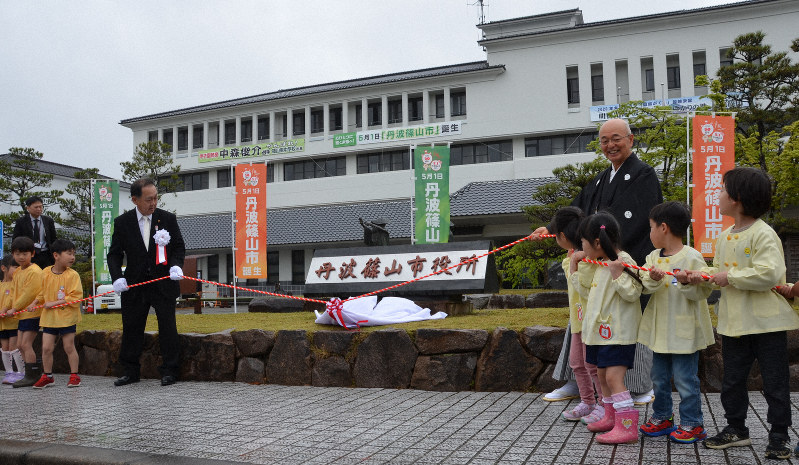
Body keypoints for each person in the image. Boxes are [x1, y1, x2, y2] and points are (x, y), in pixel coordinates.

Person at [532, 118, 662, 404]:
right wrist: (553, 229)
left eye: (616, 138)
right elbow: (578, 212)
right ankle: (579, 383)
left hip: (622, 264)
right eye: (604, 141)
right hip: (595, 265)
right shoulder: (602, 178)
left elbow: (634, 220)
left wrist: (604, 248)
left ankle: (640, 385)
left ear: (630, 140)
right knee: (582, 319)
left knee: (627, 323)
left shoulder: (644, 175)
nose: (610, 145)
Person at [685, 167, 799, 460]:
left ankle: (779, 436)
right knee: (732, 380)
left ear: (737, 198)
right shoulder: (724, 236)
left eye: (722, 190)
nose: (718, 195)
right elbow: (721, 273)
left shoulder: (764, 233)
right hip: (734, 323)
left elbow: (769, 273)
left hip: (766, 323)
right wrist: (699, 275)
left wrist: (729, 278)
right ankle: (736, 429)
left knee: (775, 383)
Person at [638, 202, 714, 444]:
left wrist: (686, 282)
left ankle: (693, 423)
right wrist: (651, 278)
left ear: (663, 228)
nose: (649, 233)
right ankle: (662, 417)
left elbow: (703, 293)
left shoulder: (692, 256)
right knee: (658, 378)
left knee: (685, 379)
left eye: (651, 227)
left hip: (685, 333)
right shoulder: (652, 257)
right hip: (660, 331)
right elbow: (643, 284)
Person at [107, 178, 186, 387]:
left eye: (156, 198)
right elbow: (114, 255)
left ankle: (170, 370)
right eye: (148, 199)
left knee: (168, 327)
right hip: (135, 284)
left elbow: (178, 247)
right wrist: (117, 277)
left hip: (163, 283)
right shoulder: (122, 222)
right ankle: (130, 370)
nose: (153, 203)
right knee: (132, 327)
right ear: (135, 200)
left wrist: (176, 266)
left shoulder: (167, 219)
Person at [572, 212, 643, 444]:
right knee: (602, 376)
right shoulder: (599, 264)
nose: (580, 247)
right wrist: (575, 267)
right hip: (601, 335)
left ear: (597, 242)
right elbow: (586, 293)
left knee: (613, 377)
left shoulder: (624, 261)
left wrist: (618, 274)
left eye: (583, 242)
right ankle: (611, 418)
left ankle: (627, 427)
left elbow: (634, 293)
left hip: (618, 334)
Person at [550, 206, 602, 423]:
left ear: (562, 236)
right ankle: (588, 402)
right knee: (577, 363)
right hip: (577, 321)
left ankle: (604, 405)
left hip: (591, 321)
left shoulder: (584, 259)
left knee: (593, 366)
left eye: (555, 235)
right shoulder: (573, 256)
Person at [31, 239, 83, 389]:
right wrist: (34, 303)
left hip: (67, 318)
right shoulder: (46, 272)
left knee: (68, 346)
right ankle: (47, 376)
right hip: (49, 318)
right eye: (69, 253)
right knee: (46, 348)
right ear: (56, 255)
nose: (72, 257)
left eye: (74, 254)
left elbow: (75, 298)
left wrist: (53, 303)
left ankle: (74, 376)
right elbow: (42, 292)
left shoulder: (73, 275)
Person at [3, 237, 44, 388]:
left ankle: (32, 376)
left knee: (26, 344)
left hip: (32, 313)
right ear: (13, 254)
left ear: (32, 254)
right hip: (22, 314)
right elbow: (13, 293)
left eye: (25, 253)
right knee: (20, 345)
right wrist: (5, 308)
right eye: (17, 253)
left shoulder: (35, 271)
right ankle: (31, 373)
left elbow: (28, 294)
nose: (21, 257)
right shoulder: (18, 272)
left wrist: (14, 308)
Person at [12, 196, 58, 270]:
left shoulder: (48, 220)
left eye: (40, 207)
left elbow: (53, 238)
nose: (39, 209)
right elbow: (16, 239)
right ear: (28, 208)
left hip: (45, 254)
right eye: (36, 207)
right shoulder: (21, 221)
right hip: (29, 254)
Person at [0, 255, 23, 384]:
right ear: (4, 268)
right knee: (5, 347)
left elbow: (16, 301)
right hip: (2, 323)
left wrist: (7, 310)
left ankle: (20, 372)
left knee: (14, 347)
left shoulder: (16, 285)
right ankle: (9, 372)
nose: (18, 270)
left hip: (14, 321)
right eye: (15, 267)